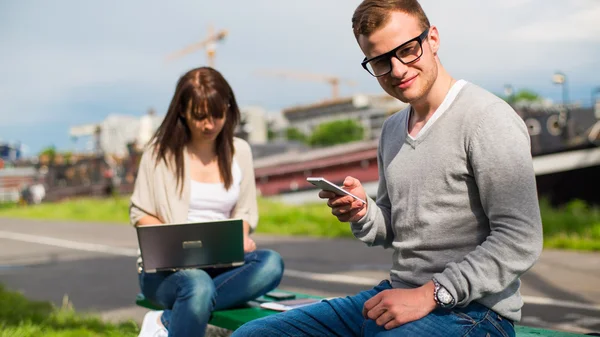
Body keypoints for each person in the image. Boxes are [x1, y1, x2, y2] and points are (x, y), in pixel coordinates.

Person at [232, 1, 542, 336]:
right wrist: (362, 212)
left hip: (476, 313)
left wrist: (430, 294)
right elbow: (396, 225)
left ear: (433, 39)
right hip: (399, 294)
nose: (397, 70)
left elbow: (519, 239)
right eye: (381, 60)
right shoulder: (393, 129)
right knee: (253, 333)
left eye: (408, 50)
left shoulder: (487, 118)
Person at [130, 67, 285, 337]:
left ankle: (166, 321)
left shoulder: (240, 152)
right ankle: (188, 307)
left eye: (217, 114)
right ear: (182, 111)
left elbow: (246, 210)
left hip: (223, 266)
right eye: (200, 116)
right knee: (197, 285)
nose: (209, 124)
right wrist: (170, 244)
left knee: (271, 263)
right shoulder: (159, 154)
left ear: (228, 108)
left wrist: (242, 236)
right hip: (168, 273)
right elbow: (140, 212)